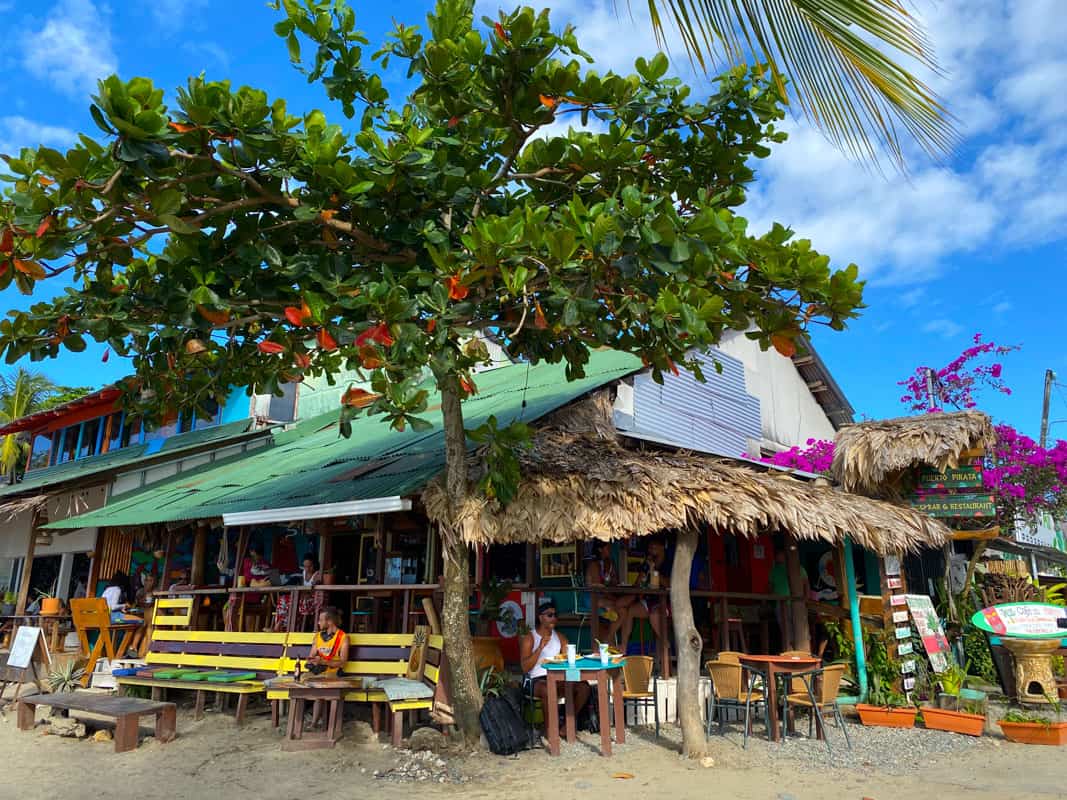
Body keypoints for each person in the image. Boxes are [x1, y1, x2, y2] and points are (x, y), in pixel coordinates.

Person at [520, 599, 589, 734]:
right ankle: (550, 729)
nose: (554, 618)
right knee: (548, 689)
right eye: (549, 615)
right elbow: (524, 668)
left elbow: (568, 662)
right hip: (535, 680)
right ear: (540, 617)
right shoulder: (530, 638)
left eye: (555, 615)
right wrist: (540, 648)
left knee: (584, 687)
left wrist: (573, 662)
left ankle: (568, 724)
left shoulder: (561, 638)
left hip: (557, 678)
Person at [619, 537, 671, 650]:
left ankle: (665, 643)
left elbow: (668, 584)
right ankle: (623, 647)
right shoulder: (647, 563)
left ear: (662, 547)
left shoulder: (668, 563)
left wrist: (653, 570)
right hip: (649, 599)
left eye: (653, 547)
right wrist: (643, 576)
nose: (650, 551)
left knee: (654, 615)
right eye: (650, 548)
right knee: (629, 611)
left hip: (665, 601)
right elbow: (637, 583)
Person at [583, 540, 634, 644]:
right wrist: (613, 598)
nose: (610, 550)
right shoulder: (594, 565)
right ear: (600, 549)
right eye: (607, 547)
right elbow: (599, 587)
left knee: (624, 610)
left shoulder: (608, 562)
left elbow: (614, 582)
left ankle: (608, 639)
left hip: (603, 596)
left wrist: (611, 572)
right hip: (592, 598)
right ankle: (608, 639)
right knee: (620, 608)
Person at [274, 553, 324, 632]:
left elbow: (314, 589)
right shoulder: (303, 573)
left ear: (314, 565)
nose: (307, 569)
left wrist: (313, 586)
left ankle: (285, 627)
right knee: (283, 600)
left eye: (309, 566)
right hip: (301, 598)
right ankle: (280, 624)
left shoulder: (317, 574)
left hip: (312, 601)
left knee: (293, 604)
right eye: (305, 566)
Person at [304, 607, 349, 676]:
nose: (318, 623)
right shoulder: (317, 636)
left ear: (330, 621)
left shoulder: (343, 637)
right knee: (303, 677)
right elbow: (311, 656)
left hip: (333, 673)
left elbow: (342, 663)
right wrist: (312, 661)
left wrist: (323, 662)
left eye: (321, 620)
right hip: (318, 672)